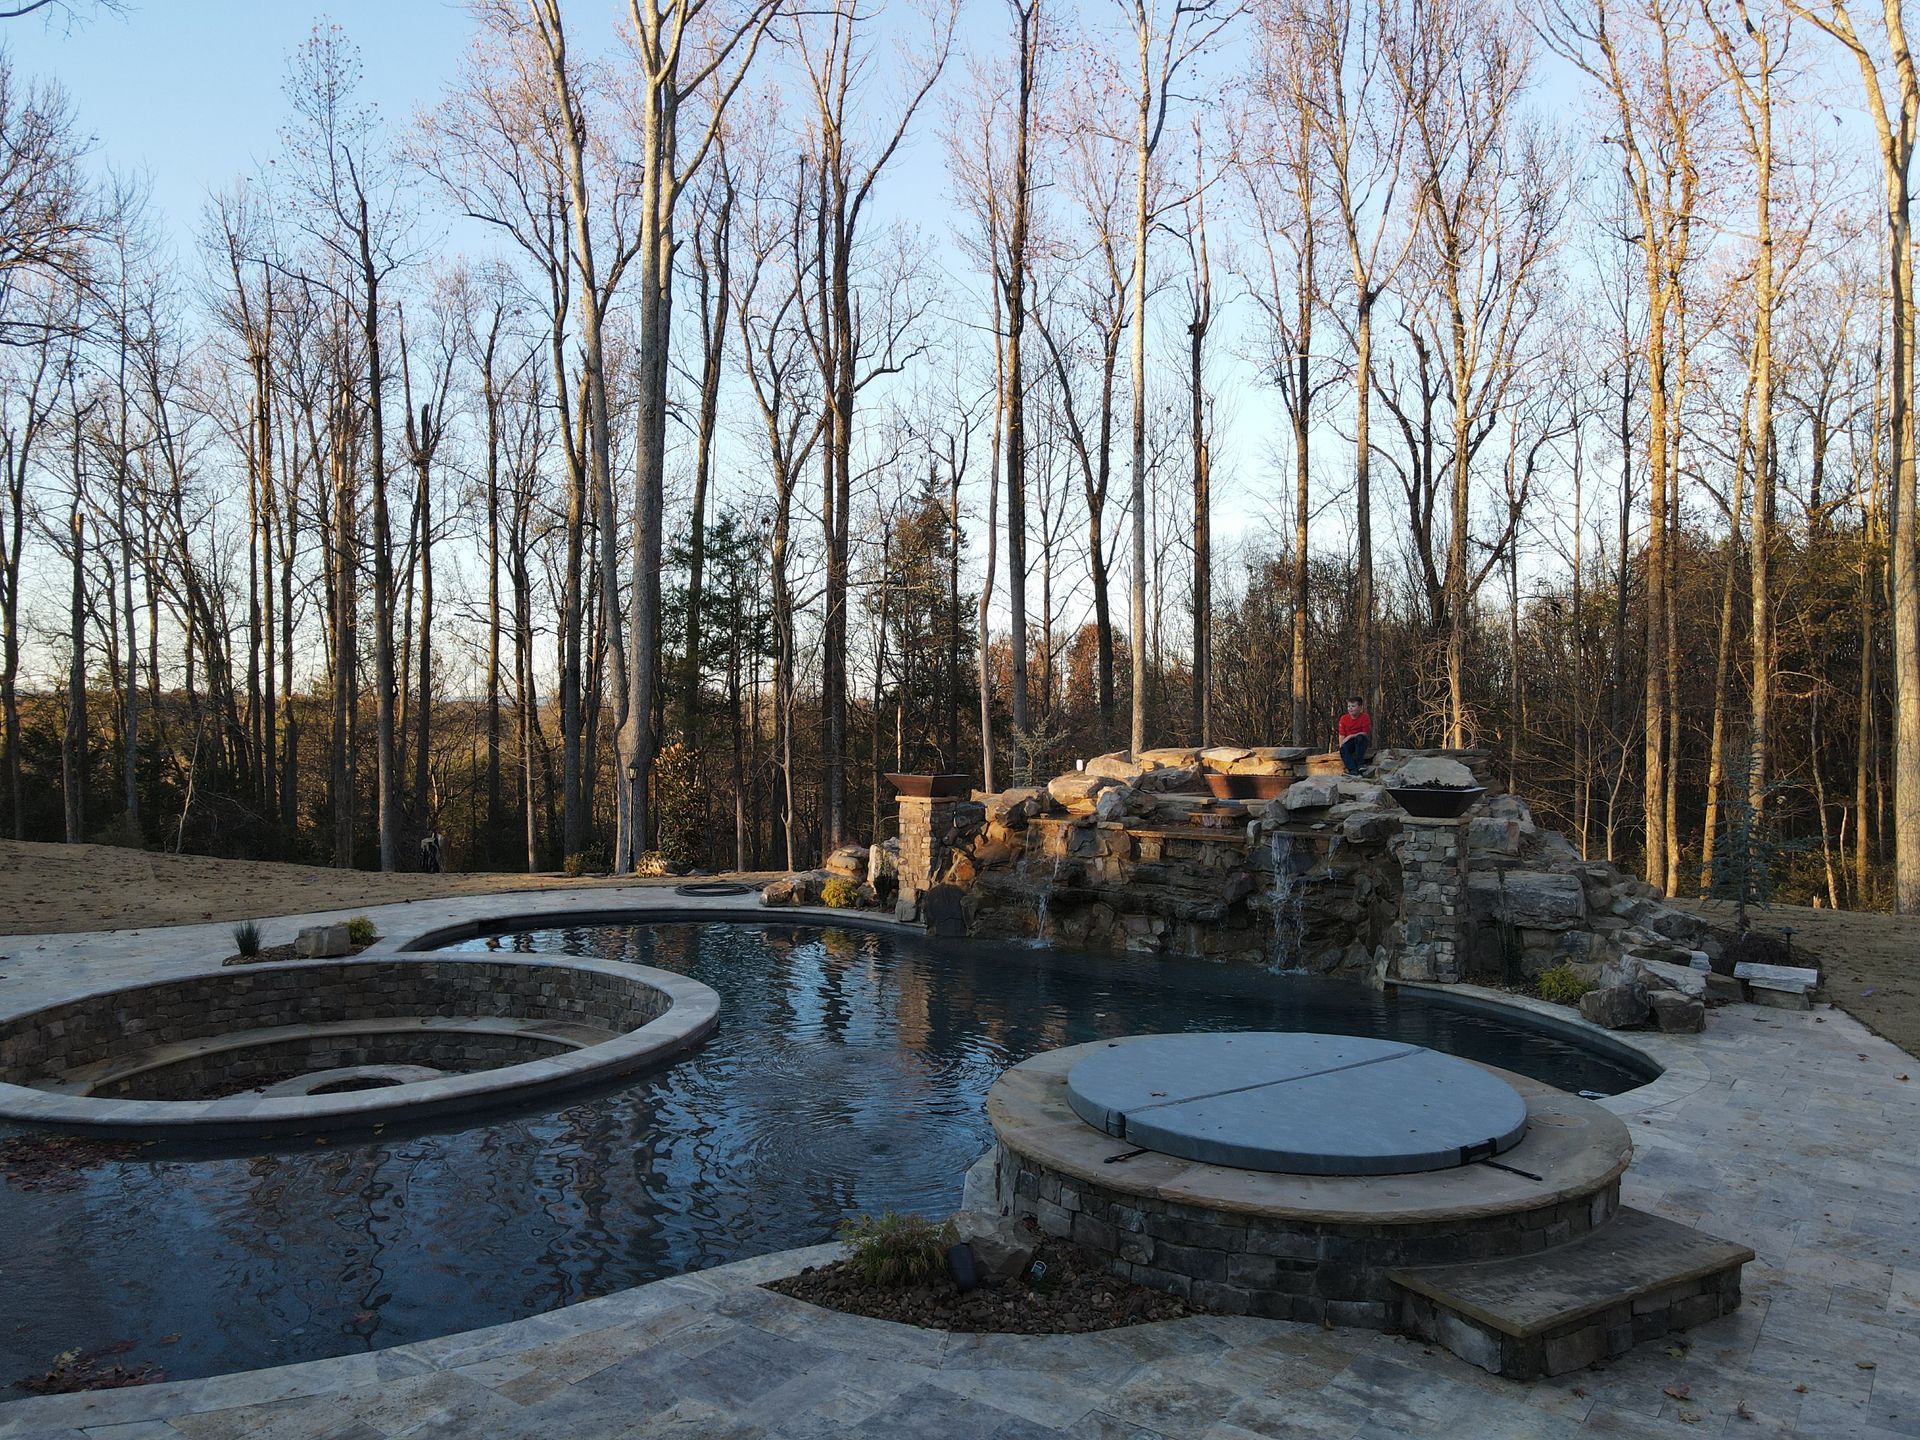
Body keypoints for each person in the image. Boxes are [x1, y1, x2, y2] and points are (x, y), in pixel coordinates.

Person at [1337, 696, 1372, 776]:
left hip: (1361, 741)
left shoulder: (1364, 717)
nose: (1350, 709)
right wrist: (1341, 747)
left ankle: (1360, 764)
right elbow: (1341, 735)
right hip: (1350, 742)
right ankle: (1353, 770)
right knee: (1343, 748)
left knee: (1359, 738)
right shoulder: (1344, 718)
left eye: (1353, 706)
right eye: (1349, 706)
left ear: (1360, 707)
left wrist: (1351, 736)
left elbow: (1365, 733)